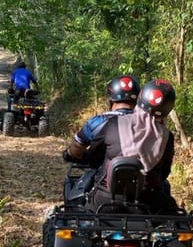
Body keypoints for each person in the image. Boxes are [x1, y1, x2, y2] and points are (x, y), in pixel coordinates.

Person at [85, 78, 178, 214]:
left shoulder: (113, 124)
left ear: (140, 99)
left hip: (104, 202)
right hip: (149, 205)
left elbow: (93, 158)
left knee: (82, 212)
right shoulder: (167, 136)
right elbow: (164, 174)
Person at [62, 74, 141, 167]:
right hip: (144, 178)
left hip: (104, 179)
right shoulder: (149, 123)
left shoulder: (97, 122)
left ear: (111, 99)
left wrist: (68, 153)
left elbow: (76, 150)